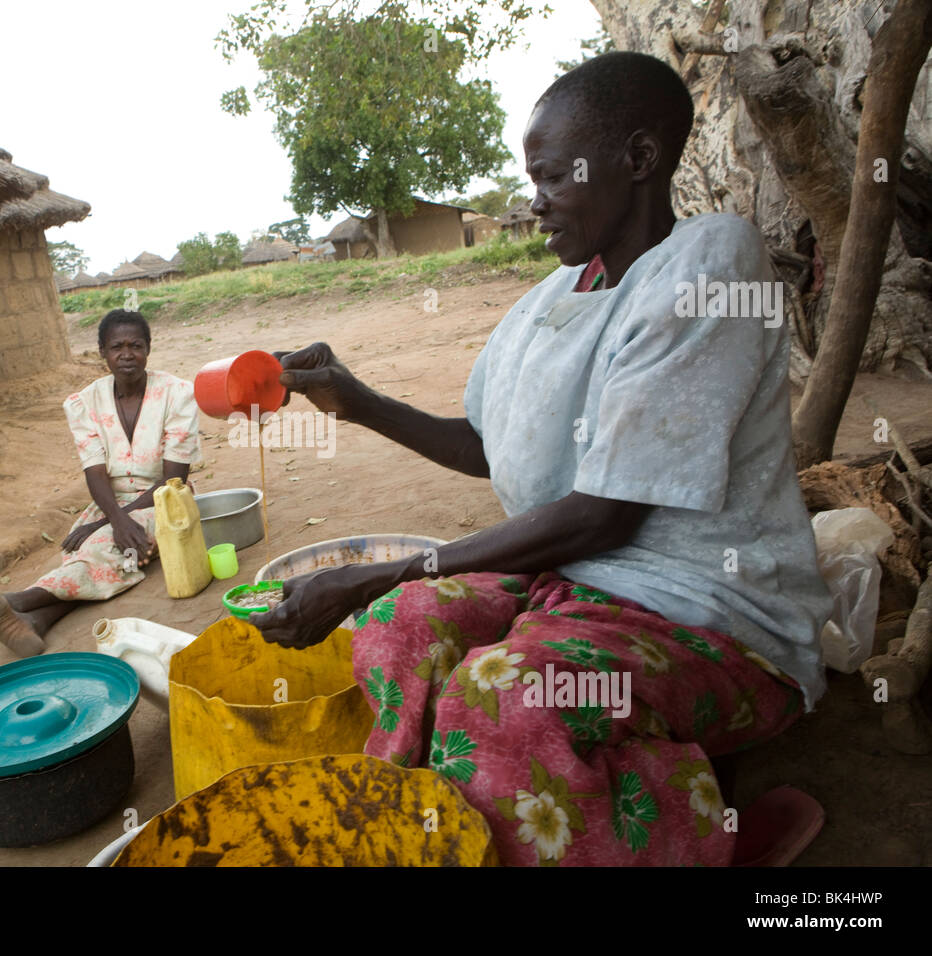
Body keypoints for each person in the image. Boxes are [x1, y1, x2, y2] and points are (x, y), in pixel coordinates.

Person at [253, 52, 833, 866]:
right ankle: (435, 832)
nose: (536, 202)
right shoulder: (549, 301)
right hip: (573, 589)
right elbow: (488, 448)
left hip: (715, 617)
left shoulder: (709, 265)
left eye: (555, 176)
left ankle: (699, 840)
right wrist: (357, 401)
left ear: (637, 160)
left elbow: (608, 511)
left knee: (505, 694)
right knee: (398, 629)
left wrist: (386, 567)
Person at [0, 310, 200, 656]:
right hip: (110, 500)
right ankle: (32, 623)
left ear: (149, 349)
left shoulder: (177, 393)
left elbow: (174, 478)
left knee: (103, 546)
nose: (127, 354)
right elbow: (95, 471)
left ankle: (18, 599)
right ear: (102, 350)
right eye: (117, 346)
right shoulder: (84, 403)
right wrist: (113, 518)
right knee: (89, 553)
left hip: (163, 500)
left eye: (136, 345)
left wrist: (108, 521)